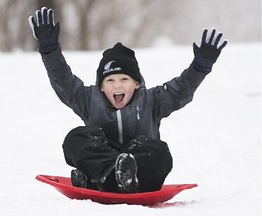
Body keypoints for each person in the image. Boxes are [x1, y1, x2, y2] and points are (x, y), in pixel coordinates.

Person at [28, 7, 227, 193]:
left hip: (140, 175)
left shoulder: (152, 101)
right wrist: (49, 50)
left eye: (124, 79)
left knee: (160, 152)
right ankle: (111, 175)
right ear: (101, 86)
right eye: (110, 80)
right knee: (75, 139)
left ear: (137, 84)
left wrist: (199, 67)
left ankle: (99, 180)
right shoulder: (89, 99)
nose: (117, 86)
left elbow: (180, 90)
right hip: (103, 167)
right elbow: (64, 82)